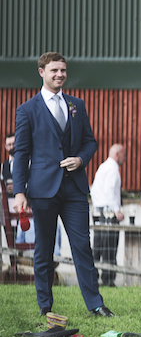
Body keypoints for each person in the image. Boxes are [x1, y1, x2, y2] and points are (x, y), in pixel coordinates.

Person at [12, 52, 114, 317]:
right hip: (42, 190)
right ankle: (45, 307)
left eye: (63, 71)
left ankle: (96, 305)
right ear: (41, 72)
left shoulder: (76, 105)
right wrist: (19, 191)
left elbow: (90, 142)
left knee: (82, 247)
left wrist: (81, 160)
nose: (60, 75)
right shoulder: (27, 110)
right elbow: (21, 154)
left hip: (75, 189)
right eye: (54, 70)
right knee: (44, 250)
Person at [91, 144, 126, 287]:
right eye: (124, 155)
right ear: (117, 154)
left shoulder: (102, 167)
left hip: (98, 212)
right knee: (109, 247)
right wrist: (116, 209)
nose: (125, 158)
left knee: (98, 247)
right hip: (109, 213)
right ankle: (108, 279)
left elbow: (93, 191)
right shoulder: (112, 169)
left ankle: (93, 278)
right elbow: (110, 190)